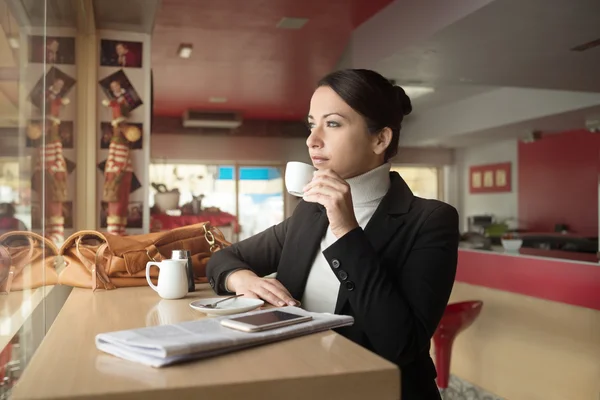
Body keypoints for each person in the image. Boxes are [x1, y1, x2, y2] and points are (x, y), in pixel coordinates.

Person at [206, 69, 459, 399]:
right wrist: (245, 281)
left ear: (380, 139)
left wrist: (345, 229)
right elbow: (224, 258)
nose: (312, 139)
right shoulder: (309, 213)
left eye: (333, 123)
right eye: (312, 124)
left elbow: (401, 345)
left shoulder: (430, 221)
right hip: (301, 381)